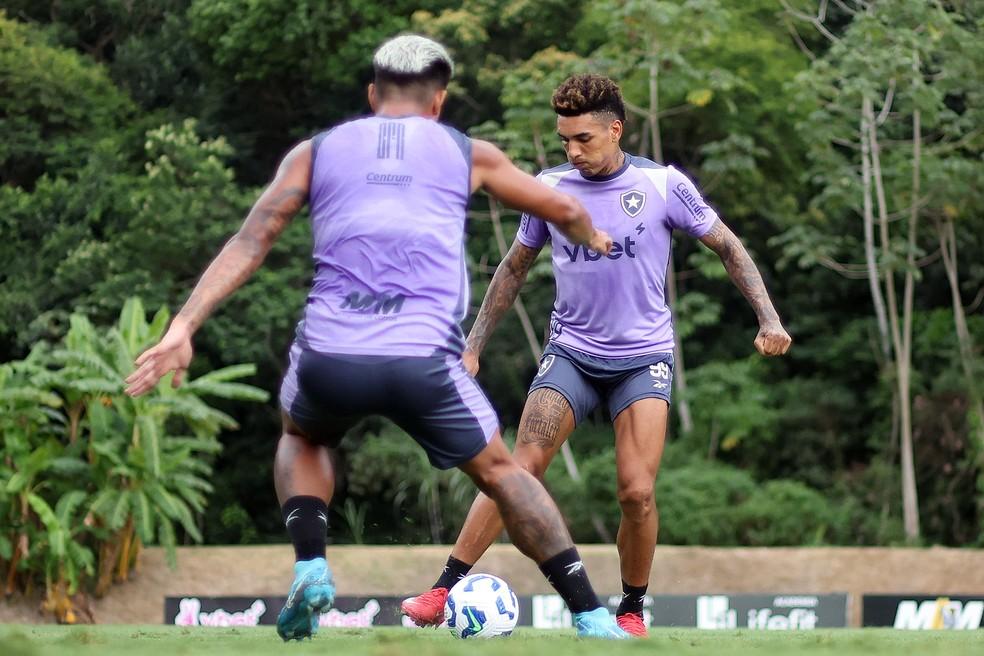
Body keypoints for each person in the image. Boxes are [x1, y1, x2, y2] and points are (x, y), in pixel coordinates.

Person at [124, 37, 630, 641]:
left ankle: (311, 561)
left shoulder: (315, 152)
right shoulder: (468, 153)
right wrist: (589, 232)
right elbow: (559, 206)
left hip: (330, 354)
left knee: (301, 434)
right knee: (503, 473)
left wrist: (184, 326)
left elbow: (250, 240)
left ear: (372, 95)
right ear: (439, 101)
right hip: (422, 360)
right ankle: (592, 615)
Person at [400, 74, 792, 637]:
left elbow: (728, 246)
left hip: (642, 359)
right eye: (565, 141)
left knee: (636, 491)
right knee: (518, 468)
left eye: (583, 138)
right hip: (572, 354)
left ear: (615, 129)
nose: (572, 151)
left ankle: (631, 609)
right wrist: (473, 345)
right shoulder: (551, 188)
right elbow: (514, 267)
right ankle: (442, 591)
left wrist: (769, 317)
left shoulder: (663, 186)